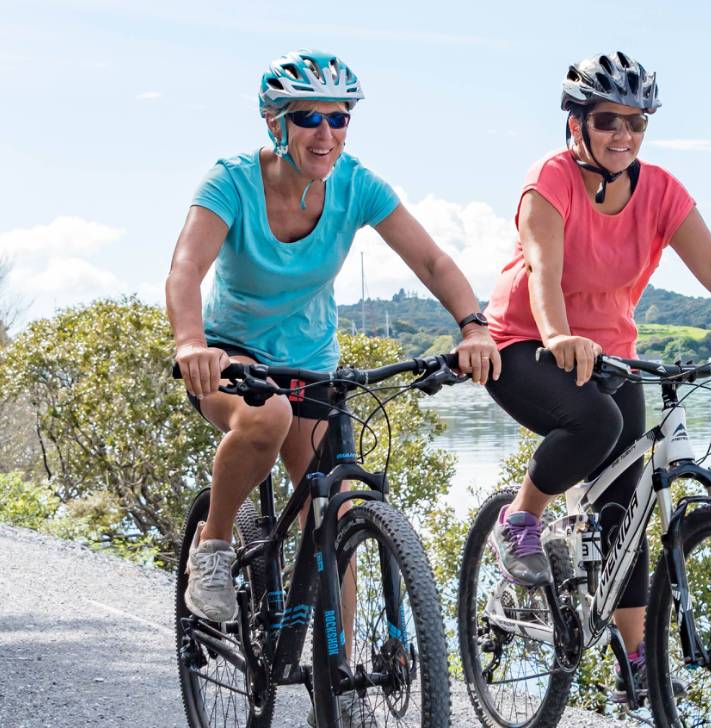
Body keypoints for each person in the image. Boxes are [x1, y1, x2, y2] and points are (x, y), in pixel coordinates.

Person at [480, 51, 711, 699]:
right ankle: (518, 521)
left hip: (612, 354)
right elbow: (544, 269)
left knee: (626, 508)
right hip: (524, 344)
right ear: (577, 123)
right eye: (609, 120)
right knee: (595, 423)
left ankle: (634, 661)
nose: (624, 135)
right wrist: (558, 336)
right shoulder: (549, 179)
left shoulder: (660, 191)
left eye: (637, 123)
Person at [166, 49, 500, 628]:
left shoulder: (356, 183)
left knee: (330, 517)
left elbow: (432, 261)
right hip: (230, 356)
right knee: (266, 417)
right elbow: (186, 268)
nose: (326, 134)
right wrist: (191, 343)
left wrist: (474, 326)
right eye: (308, 118)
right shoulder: (231, 181)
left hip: (311, 362)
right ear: (275, 121)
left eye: (339, 117)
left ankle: (342, 672)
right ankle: (213, 546)